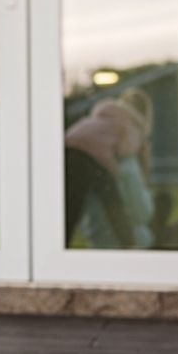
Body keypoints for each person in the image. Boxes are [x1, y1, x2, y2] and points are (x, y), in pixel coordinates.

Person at [64, 88, 155, 248]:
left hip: (68, 152)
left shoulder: (106, 116)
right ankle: (129, 244)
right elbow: (126, 150)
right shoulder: (132, 124)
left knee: (72, 207)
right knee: (112, 201)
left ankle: (61, 246)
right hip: (93, 157)